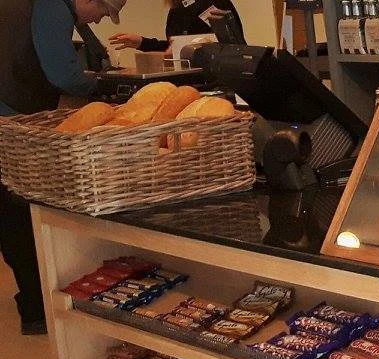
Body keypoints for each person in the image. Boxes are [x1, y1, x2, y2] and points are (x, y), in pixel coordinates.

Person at [0, 0, 127, 335]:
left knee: (9, 214)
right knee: (21, 211)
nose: (101, 19)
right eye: (103, 11)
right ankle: (37, 307)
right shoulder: (52, 4)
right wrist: (104, 87)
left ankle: (32, 306)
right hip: (8, 115)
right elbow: (61, 73)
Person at [110, 1, 244, 53]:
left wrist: (185, 51)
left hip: (213, 86)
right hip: (187, 83)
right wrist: (143, 42)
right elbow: (173, 47)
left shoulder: (213, 3)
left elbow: (235, 48)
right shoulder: (177, 9)